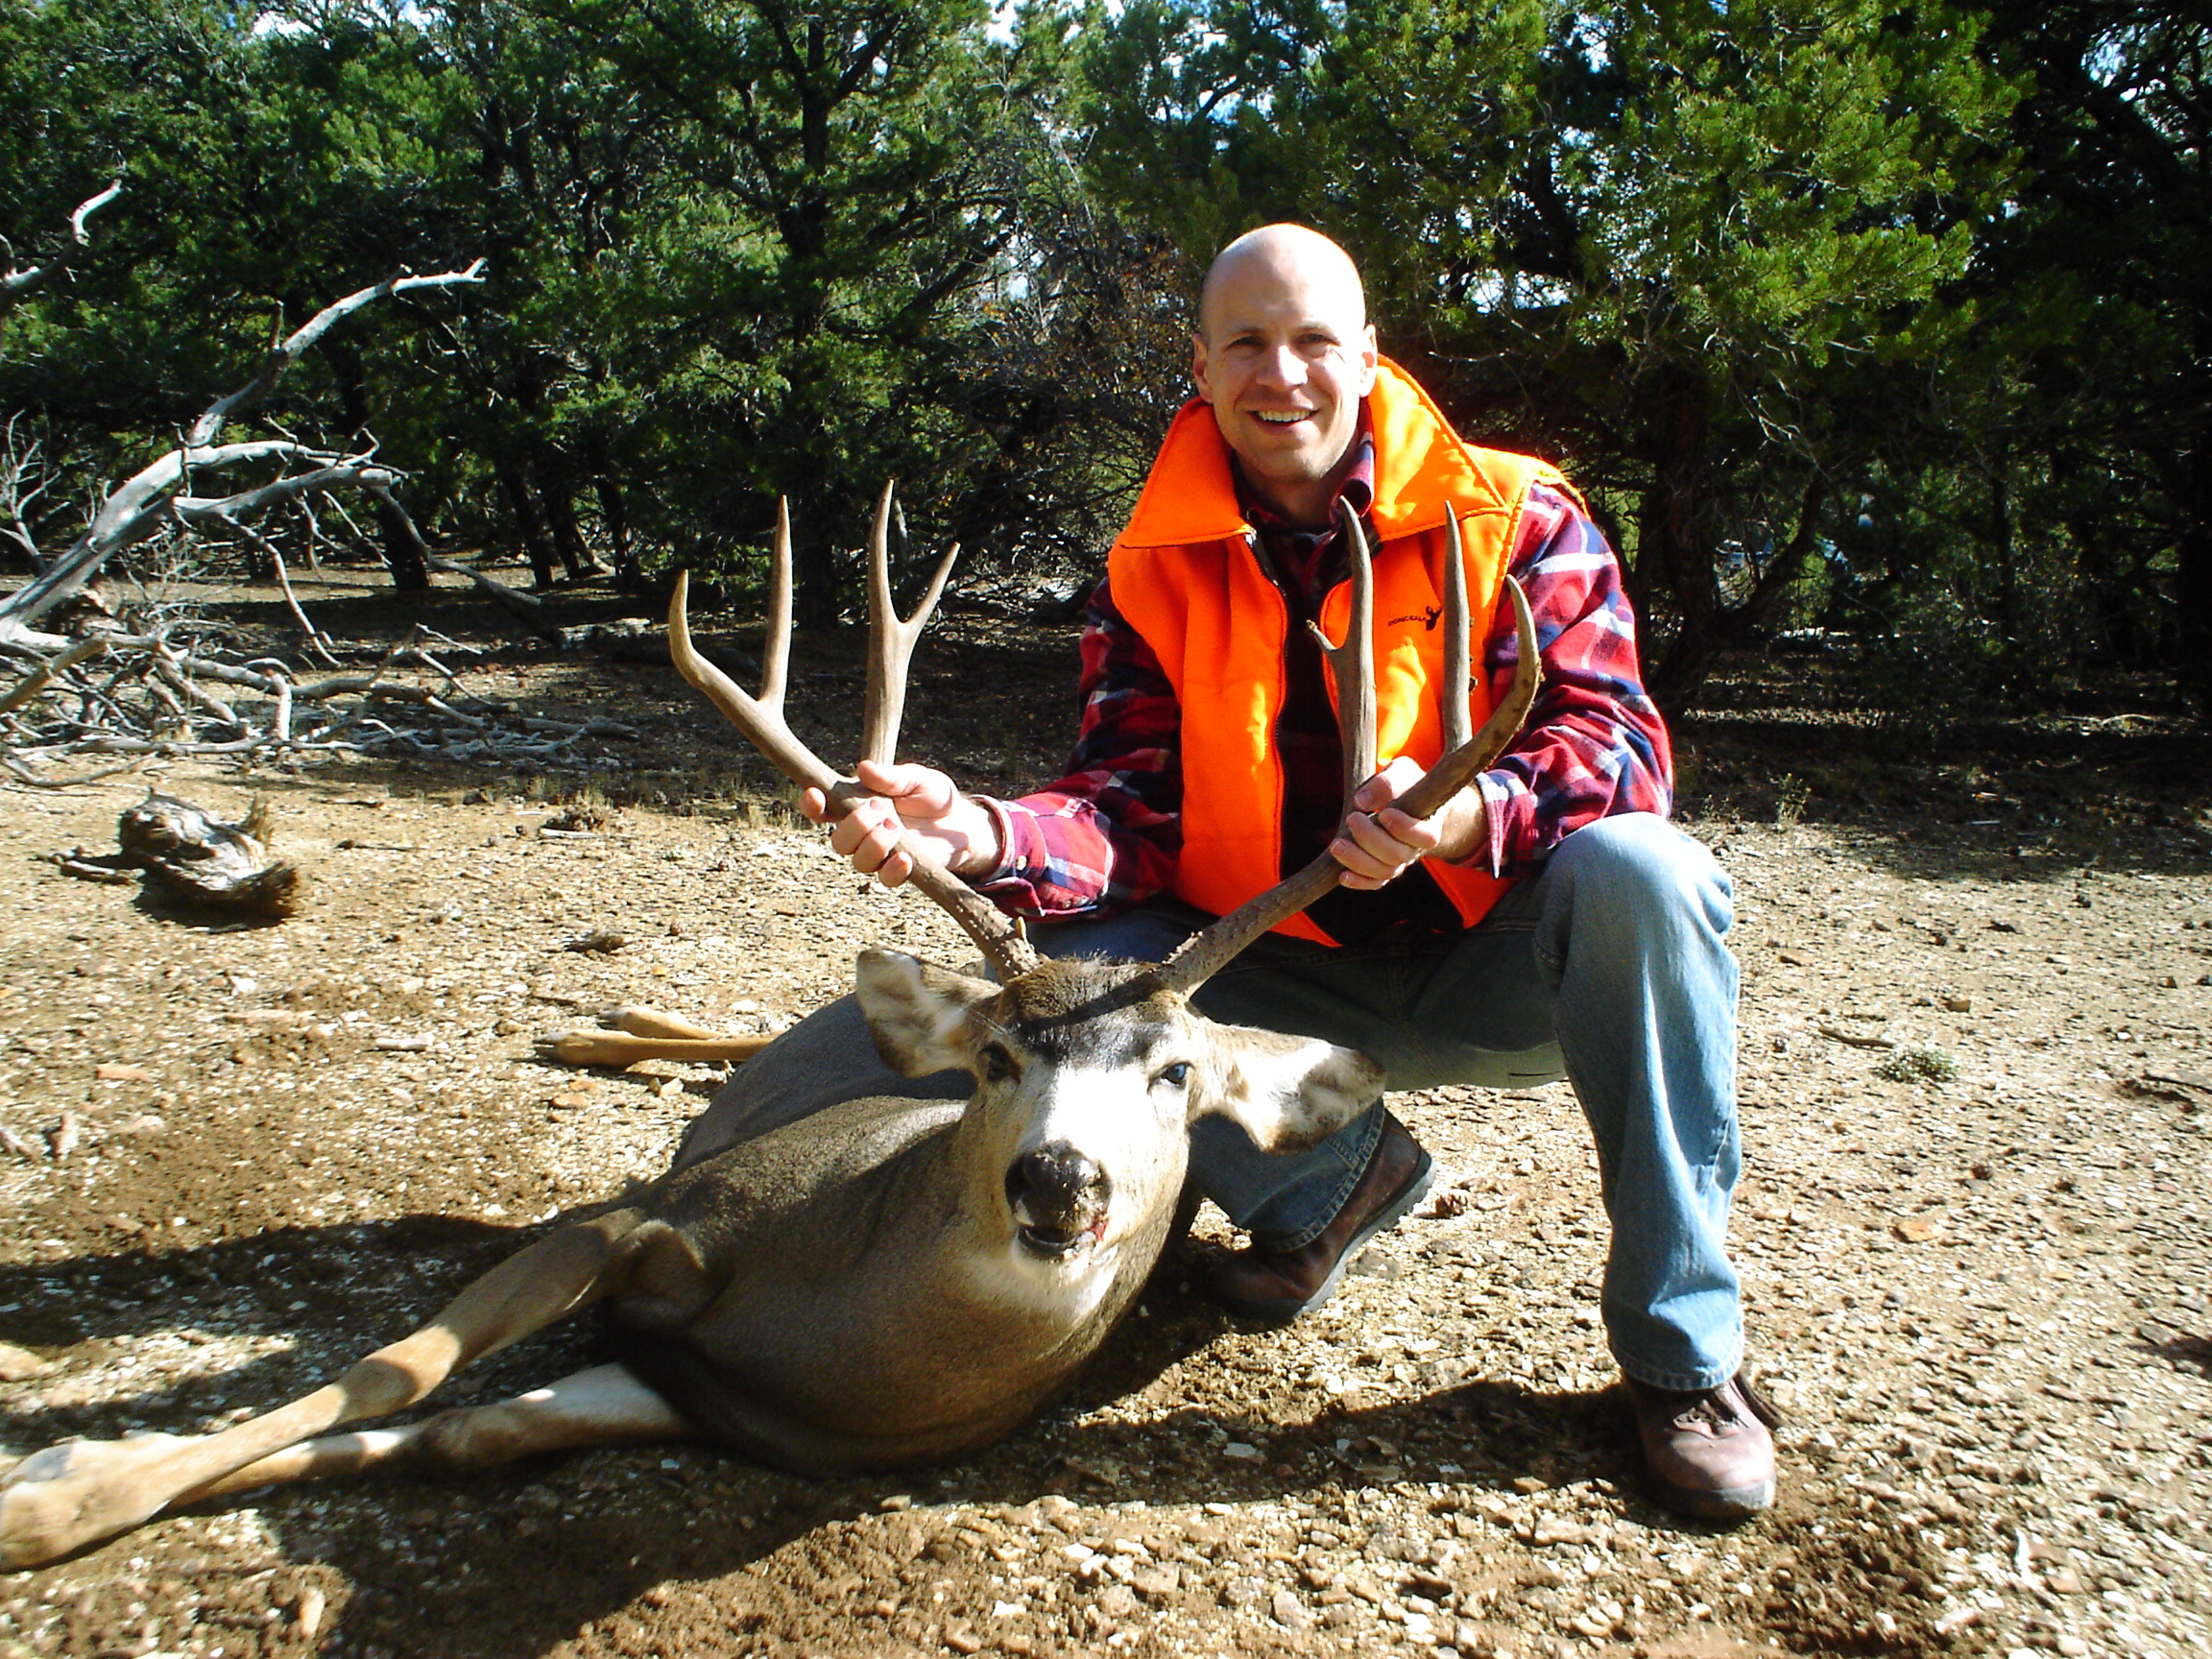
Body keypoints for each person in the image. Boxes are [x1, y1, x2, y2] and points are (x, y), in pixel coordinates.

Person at [802, 224, 1777, 1521]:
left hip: (1510, 966)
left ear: (1368, 356)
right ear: (1200, 368)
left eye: (1316, 340)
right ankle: (1334, 1177)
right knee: (1081, 977)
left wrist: (1463, 813)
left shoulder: (1517, 518)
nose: (1285, 375)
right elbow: (1125, 807)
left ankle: (1684, 1361)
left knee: (1648, 873)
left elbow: (1621, 745)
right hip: (1277, 990)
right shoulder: (1153, 566)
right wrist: (974, 833)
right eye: (1248, 344)